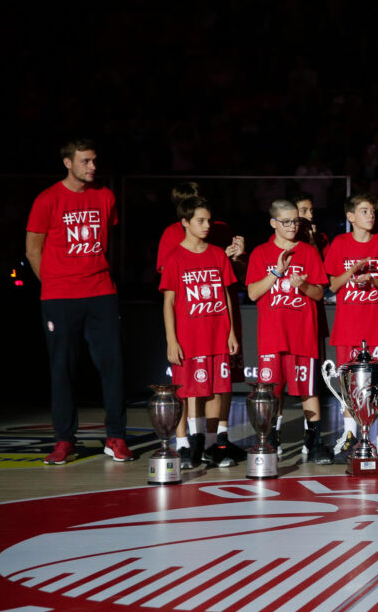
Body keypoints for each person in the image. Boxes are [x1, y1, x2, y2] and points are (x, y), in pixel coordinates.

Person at [27, 139, 133, 464]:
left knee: (112, 366)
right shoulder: (47, 200)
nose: (93, 167)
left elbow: (109, 240)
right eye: (86, 161)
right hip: (60, 297)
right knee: (62, 368)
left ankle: (115, 437)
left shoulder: (106, 196)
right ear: (68, 163)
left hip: (101, 292)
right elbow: (33, 250)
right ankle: (63, 440)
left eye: (94, 161)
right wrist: (56, 284)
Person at [156, 180, 247, 468]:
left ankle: (210, 444)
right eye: (201, 220)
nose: (207, 225)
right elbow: (169, 301)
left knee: (216, 389)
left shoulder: (218, 253)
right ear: (185, 222)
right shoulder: (174, 256)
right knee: (186, 392)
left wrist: (232, 331)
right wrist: (172, 340)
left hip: (217, 335)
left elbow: (227, 296)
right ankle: (184, 445)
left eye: (209, 219)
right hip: (189, 336)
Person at [246, 199, 333, 465]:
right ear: (273, 223)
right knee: (272, 391)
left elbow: (319, 293)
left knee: (309, 390)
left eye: (295, 221)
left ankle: (314, 441)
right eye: (286, 221)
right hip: (272, 335)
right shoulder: (260, 253)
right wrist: (276, 272)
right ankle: (271, 438)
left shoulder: (308, 252)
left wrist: (304, 285)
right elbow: (252, 293)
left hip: (303, 334)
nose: (292, 226)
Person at [323, 193, 378, 463]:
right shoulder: (340, 243)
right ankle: (351, 436)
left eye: (373, 211)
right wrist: (353, 269)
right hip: (348, 328)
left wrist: (373, 279)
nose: (371, 215)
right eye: (365, 211)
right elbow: (332, 285)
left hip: (377, 327)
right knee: (348, 388)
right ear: (351, 216)